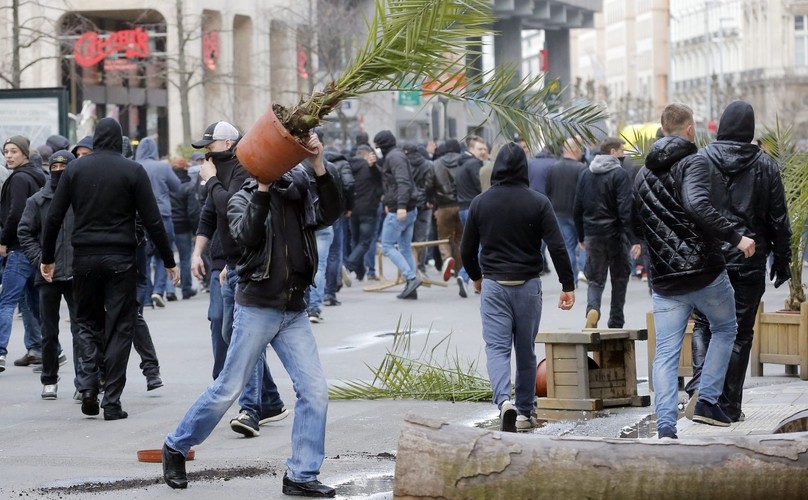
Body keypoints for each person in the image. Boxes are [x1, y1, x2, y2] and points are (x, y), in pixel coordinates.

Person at [162, 133, 341, 497]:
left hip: (293, 310)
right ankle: (176, 446)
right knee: (228, 387)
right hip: (257, 306)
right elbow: (245, 235)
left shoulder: (300, 193)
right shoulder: (244, 195)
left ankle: (301, 475)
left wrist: (319, 163)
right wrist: (261, 189)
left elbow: (333, 210)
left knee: (315, 391)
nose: (288, 171)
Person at [40, 117, 179, 420]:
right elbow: (153, 219)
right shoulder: (133, 170)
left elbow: (54, 218)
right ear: (119, 141)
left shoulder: (75, 169)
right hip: (121, 258)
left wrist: (47, 256)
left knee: (86, 322)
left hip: (84, 257)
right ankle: (112, 401)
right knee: (120, 327)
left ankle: (88, 386)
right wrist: (169, 261)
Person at [633, 103, 755, 439]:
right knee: (726, 328)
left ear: (662, 128)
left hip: (665, 279)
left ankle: (666, 427)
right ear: (690, 130)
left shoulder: (642, 173)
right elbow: (697, 204)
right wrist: (736, 236)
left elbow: (633, 222)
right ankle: (707, 401)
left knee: (666, 353)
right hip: (704, 271)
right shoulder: (694, 162)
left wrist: (656, 248)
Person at [685, 100, 792, 422]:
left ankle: (702, 388)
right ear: (750, 130)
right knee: (739, 333)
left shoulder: (700, 159)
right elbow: (779, 220)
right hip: (749, 260)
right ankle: (727, 405)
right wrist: (782, 260)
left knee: (704, 324)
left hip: (707, 260)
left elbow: (690, 209)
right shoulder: (765, 165)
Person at [461, 142, 575, 433]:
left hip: (494, 285)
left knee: (497, 349)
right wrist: (567, 284)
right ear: (523, 168)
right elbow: (558, 246)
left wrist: (476, 276)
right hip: (527, 285)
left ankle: (503, 403)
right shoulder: (537, 202)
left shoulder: (481, 203)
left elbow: (466, 250)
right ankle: (525, 411)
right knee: (525, 351)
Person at [190, 120, 288, 436]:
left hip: (251, 267)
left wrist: (210, 183)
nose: (206, 152)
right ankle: (270, 400)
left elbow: (231, 206)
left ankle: (250, 409)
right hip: (231, 265)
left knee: (246, 338)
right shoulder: (218, 173)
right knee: (229, 333)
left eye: (211, 146)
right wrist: (198, 252)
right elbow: (209, 214)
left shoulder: (245, 168)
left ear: (229, 144)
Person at [18, 150, 79, 399]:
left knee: (82, 330)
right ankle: (49, 378)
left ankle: (84, 380)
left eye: (65, 168)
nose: (59, 172)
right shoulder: (37, 201)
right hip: (48, 275)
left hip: (77, 273)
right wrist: (41, 260)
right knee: (49, 331)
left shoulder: (82, 199)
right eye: (55, 167)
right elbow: (25, 233)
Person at [574, 137, 640, 329]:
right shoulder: (620, 175)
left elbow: (577, 208)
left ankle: (592, 309)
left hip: (593, 235)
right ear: (613, 152)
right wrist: (634, 239)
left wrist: (581, 236)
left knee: (595, 278)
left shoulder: (586, 174)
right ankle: (616, 319)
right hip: (616, 235)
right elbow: (625, 210)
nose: (624, 154)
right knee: (620, 277)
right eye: (622, 150)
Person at [0, 135, 46, 371]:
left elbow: (15, 213)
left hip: (19, 247)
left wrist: (3, 240)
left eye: (14, 151)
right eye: (6, 151)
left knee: (6, 302)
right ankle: (51, 351)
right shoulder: (38, 176)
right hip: (35, 247)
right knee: (33, 303)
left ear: (25, 153)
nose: (8, 155)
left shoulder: (19, 179)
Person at [373, 130, 421, 299]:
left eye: (377, 146)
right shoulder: (394, 156)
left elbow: (403, 182)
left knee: (386, 246)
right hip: (408, 208)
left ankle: (411, 278)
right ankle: (411, 288)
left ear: (382, 145)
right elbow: (392, 179)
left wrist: (400, 206)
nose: (376, 149)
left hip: (401, 210)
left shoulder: (394, 157)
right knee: (405, 247)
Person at [136, 137, 180, 306]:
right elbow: (177, 186)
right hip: (163, 214)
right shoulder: (162, 167)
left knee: (144, 257)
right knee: (164, 254)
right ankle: (158, 290)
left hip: (140, 216)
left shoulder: (136, 166)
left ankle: (146, 296)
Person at [546, 138, 587, 287]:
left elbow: (548, 191)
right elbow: (585, 193)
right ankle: (583, 270)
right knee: (583, 242)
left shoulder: (553, 168)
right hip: (577, 213)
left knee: (569, 246)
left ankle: (573, 279)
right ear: (576, 150)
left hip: (559, 212)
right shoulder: (582, 168)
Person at [424, 139, 464, 282]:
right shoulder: (463, 161)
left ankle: (447, 260)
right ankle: (459, 270)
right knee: (460, 239)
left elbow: (428, 185)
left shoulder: (436, 164)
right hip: (462, 204)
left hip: (443, 206)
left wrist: (430, 201)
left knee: (444, 238)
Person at [455, 135, 488, 297]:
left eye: (484, 149)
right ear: (471, 149)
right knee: (481, 246)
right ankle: (465, 275)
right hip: (472, 208)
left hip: (462, 208)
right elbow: (480, 186)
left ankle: (476, 279)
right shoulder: (474, 165)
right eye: (479, 149)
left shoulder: (460, 164)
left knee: (473, 245)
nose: (483, 152)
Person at [343, 145, 381, 281]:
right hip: (367, 210)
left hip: (353, 210)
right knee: (365, 242)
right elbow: (379, 179)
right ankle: (348, 265)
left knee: (355, 240)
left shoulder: (348, 167)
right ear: (366, 156)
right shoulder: (368, 168)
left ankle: (359, 272)